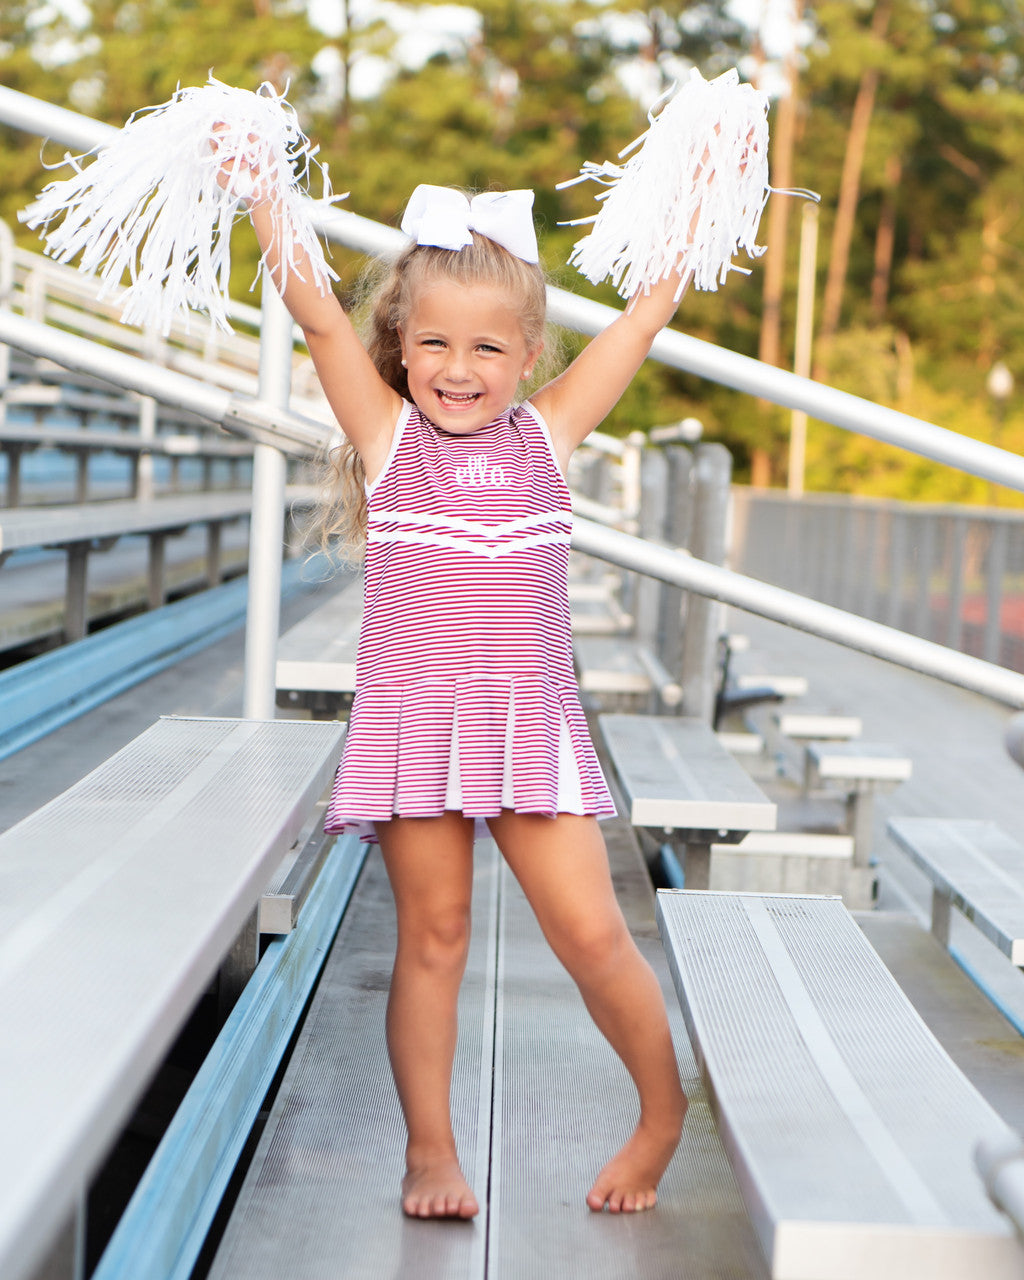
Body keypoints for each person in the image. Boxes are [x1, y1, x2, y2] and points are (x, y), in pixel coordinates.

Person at [233, 165, 690, 1220]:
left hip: (527, 730)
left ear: (529, 357)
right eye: (434, 342)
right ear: (400, 344)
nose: (458, 367)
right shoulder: (389, 442)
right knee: (431, 937)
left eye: (488, 347)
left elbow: (645, 316)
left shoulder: (549, 436)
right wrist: (264, 188)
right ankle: (428, 1151)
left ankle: (661, 1112)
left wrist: (695, 199)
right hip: (415, 727)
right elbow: (311, 309)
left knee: (591, 934)